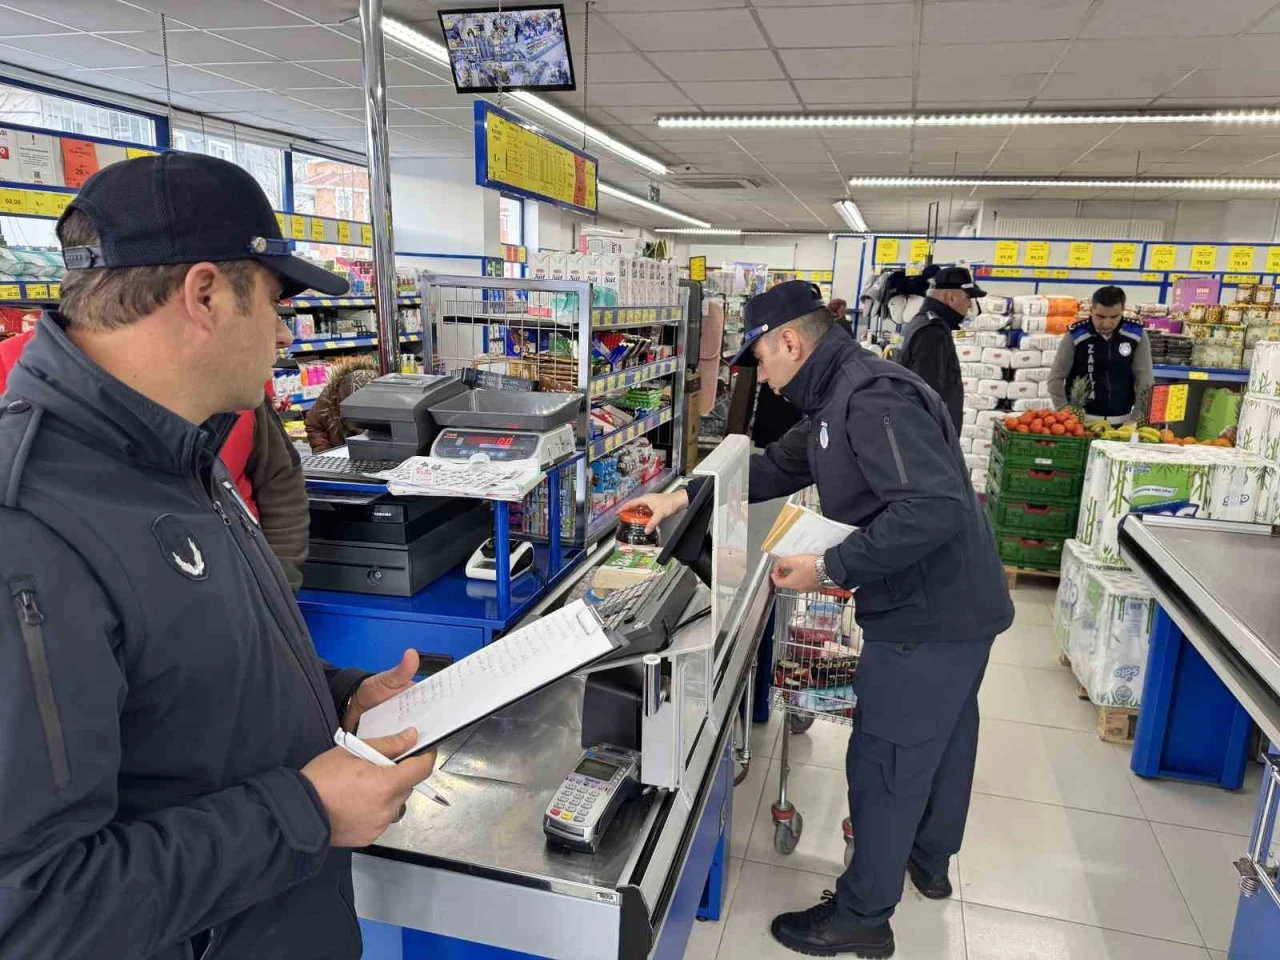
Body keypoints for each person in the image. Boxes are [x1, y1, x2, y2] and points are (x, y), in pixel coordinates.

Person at [0, 153, 438, 960]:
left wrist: (340, 698)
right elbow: (34, 910)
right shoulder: (28, 525)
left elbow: (189, 679)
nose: (284, 333)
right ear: (204, 295)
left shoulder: (181, 453)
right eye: (273, 301)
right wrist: (306, 813)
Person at [626, 280, 1013, 959]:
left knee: (885, 760)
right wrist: (679, 497)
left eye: (761, 360)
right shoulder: (841, 392)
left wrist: (830, 567)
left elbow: (933, 509)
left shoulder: (870, 397)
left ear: (790, 342)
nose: (763, 377)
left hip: (927, 616)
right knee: (946, 738)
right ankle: (927, 859)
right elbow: (777, 465)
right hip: (957, 607)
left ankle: (864, 917)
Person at [0, 329, 310, 589]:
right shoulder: (9, 363)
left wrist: (276, 584)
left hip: (244, 589)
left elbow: (280, 481)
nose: (283, 335)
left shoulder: (235, 375)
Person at [896, 266, 987, 433]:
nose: (969, 305)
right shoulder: (932, 333)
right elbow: (927, 395)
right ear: (951, 297)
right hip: (926, 436)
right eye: (968, 298)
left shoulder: (921, 323)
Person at [1047, 285, 1153, 423]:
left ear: (1123, 311)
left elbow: (1145, 380)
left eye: (1114, 317)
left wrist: (1137, 417)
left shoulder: (1136, 335)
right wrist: (1063, 408)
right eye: (1100, 316)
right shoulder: (1076, 335)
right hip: (1080, 421)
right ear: (1091, 310)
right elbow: (1055, 378)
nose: (1106, 323)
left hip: (1124, 420)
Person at [306, 354, 378, 452]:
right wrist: (325, 452)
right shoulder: (329, 396)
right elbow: (314, 425)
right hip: (338, 450)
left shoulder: (386, 395)